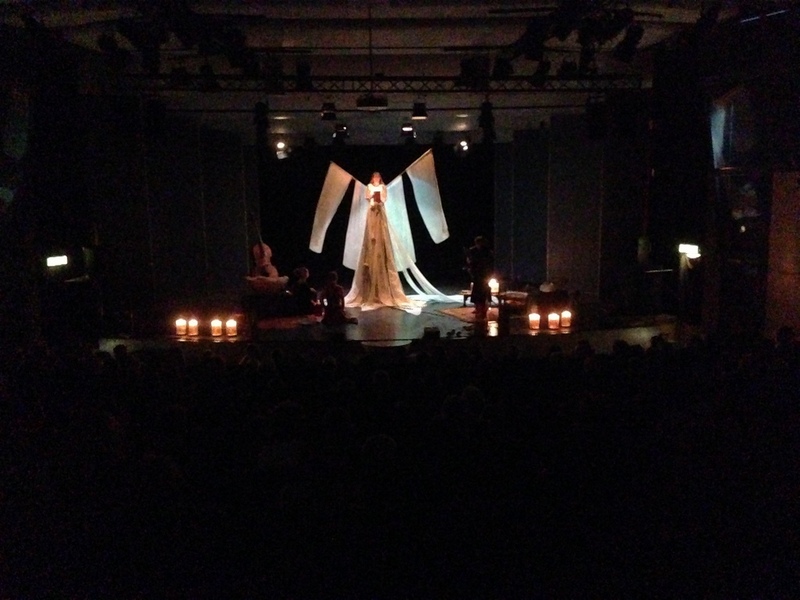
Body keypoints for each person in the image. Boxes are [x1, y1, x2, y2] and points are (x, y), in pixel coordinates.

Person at [344, 172, 415, 310]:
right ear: (372, 178)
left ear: (380, 178)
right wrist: (372, 197)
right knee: (371, 236)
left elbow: (384, 199)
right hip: (372, 211)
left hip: (379, 210)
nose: (376, 179)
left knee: (381, 236)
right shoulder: (369, 186)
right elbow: (367, 197)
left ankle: (384, 287)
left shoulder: (383, 187)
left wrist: (379, 198)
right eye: (374, 177)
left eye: (378, 177)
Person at [466, 235, 494, 320]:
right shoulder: (473, 250)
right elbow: (470, 260)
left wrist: (489, 273)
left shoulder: (487, 251)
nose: (479, 245)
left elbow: (489, 262)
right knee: (477, 291)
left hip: (484, 274)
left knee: (484, 292)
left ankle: (483, 309)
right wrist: (470, 268)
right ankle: (478, 308)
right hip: (477, 274)